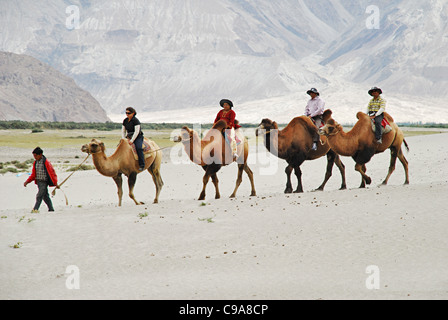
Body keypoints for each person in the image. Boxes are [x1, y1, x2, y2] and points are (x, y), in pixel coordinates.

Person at [24, 147, 57, 213]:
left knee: (39, 196)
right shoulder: (35, 163)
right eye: (34, 156)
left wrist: (55, 183)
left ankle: (35, 209)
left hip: (44, 182)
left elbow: (52, 173)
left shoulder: (46, 162)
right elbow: (33, 174)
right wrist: (27, 181)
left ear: (40, 154)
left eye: (36, 155)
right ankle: (51, 209)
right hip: (39, 182)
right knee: (45, 196)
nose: (35, 157)